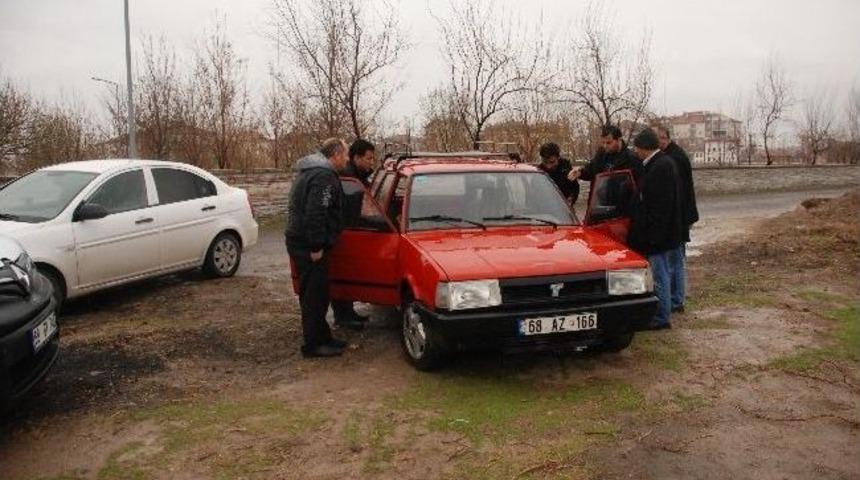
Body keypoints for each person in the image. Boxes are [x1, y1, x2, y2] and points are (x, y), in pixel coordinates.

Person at [285, 138, 350, 358]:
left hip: (301, 239)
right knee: (314, 295)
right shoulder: (323, 176)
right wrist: (316, 245)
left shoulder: (313, 171)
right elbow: (316, 212)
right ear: (336, 154)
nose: (347, 159)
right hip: (307, 244)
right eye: (346, 154)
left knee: (318, 293)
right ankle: (314, 344)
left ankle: (324, 337)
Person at [627, 128, 685, 330]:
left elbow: (661, 205)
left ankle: (661, 317)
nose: (636, 152)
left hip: (658, 236)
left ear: (643, 148)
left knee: (660, 277)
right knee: (662, 274)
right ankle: (660, 313)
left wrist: (653, 236)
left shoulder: (660, 166)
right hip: (661, 234)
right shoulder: (660, 163)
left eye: (637, 149)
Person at [330, 139, 377, 330]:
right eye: (368, 159)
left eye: (373, 159)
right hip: (343, 232)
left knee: (347, 274)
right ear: (356, 157)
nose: (371, 163)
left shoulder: (356, 175)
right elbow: (351, 213)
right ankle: (343, 316)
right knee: (342, 274)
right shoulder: (348, 178)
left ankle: (348, 313)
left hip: (348, 230)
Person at [656, 126, 699, 314]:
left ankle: (676, 300)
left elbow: (680, 192)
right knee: (675, 257)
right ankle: (675, 298)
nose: (658, 143)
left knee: (676, 258)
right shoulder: (672, 155)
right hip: (681, 214)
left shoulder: (674, 158)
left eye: (660, 139)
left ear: (665, 138)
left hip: (680, 215)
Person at [569, 124, 644, 184]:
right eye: (603, 142)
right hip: (602, 201)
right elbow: (592, 170)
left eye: (608, 143)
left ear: (619, 140)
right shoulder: (601, 155)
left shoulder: (632, 159)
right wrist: (580, 172)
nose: (605, 146)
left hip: (622, 201)